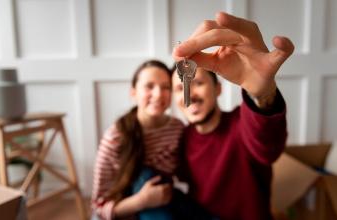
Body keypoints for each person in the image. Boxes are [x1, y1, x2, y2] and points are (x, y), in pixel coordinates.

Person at [172, 12, 294, 219]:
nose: (189, 93)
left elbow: (267, 148)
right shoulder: (180, 137)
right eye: (180, 88)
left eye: (199, 83)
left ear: (217, 89)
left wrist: (262, 94)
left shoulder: (242, 122)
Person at [91, 60, 184, 220]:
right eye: (149, 86)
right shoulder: (115, 137)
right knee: (145, 174)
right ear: (133, 93)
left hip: (164, 203)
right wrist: (142, 201)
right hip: (125, 210)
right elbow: (98, 208)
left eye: (165, 87)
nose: (158, 94)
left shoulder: (178, 128)